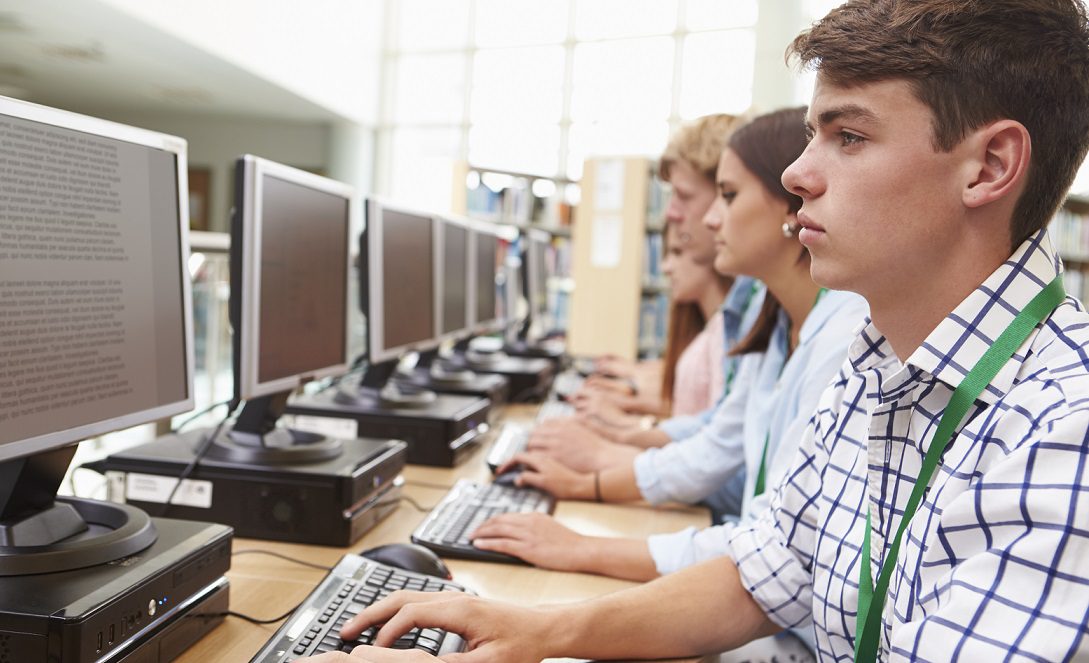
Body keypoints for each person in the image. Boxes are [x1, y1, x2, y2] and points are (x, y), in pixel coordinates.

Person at [304, 0, 1089, 661]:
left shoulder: (1064, 432)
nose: (796, 174)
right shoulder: (878, 358)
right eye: (813, 132)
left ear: (987, 168)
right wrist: (535, 631)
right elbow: (762, 570)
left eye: (848, 137)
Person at [474, 109, 867, 601]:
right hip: (751, 580)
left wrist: (589, 523)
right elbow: (721, 440)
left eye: (725, 196)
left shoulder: (843, 338)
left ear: (792, 207)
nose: (701, 218)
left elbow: (771, 548)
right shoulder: (778, 319)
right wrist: (603, 463)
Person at [570, 113, 741, 422]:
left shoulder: (747, 316)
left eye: (684, 196)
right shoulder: (732, 318)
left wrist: (620, 424)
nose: (672, 212)